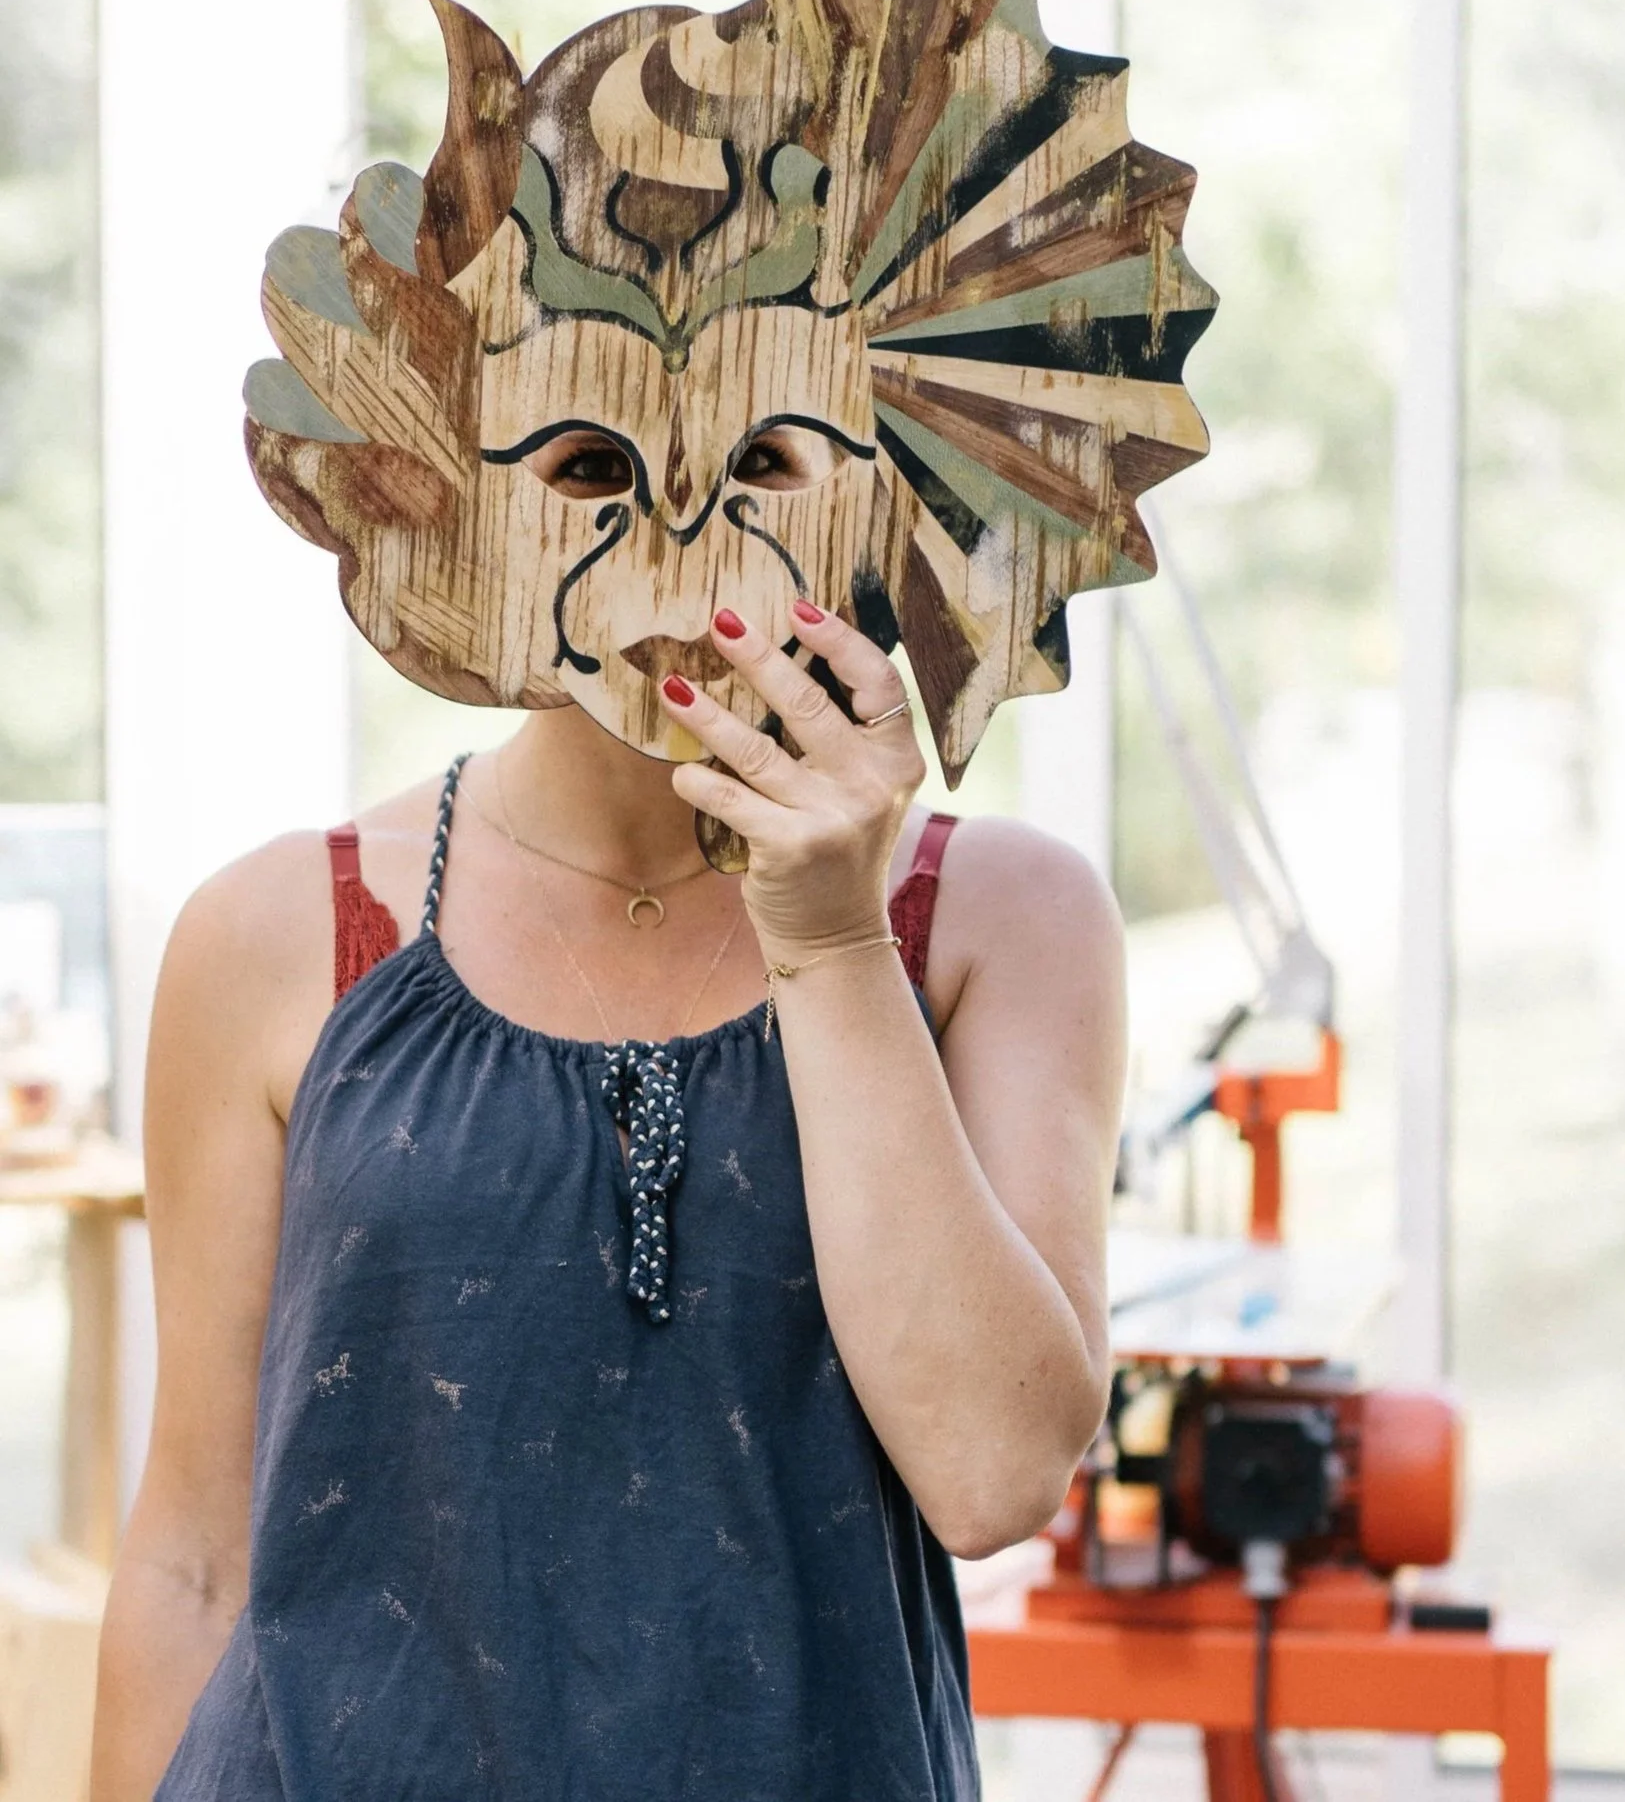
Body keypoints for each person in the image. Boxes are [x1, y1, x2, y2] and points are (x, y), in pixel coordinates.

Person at [89, 597, 1123, 1801]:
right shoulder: (272, 930)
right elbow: (194, 1559)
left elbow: (992, 1475)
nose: (678, 535)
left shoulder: (1002, 915)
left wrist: (834, 939)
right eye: (586, 463)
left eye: (766, 458)